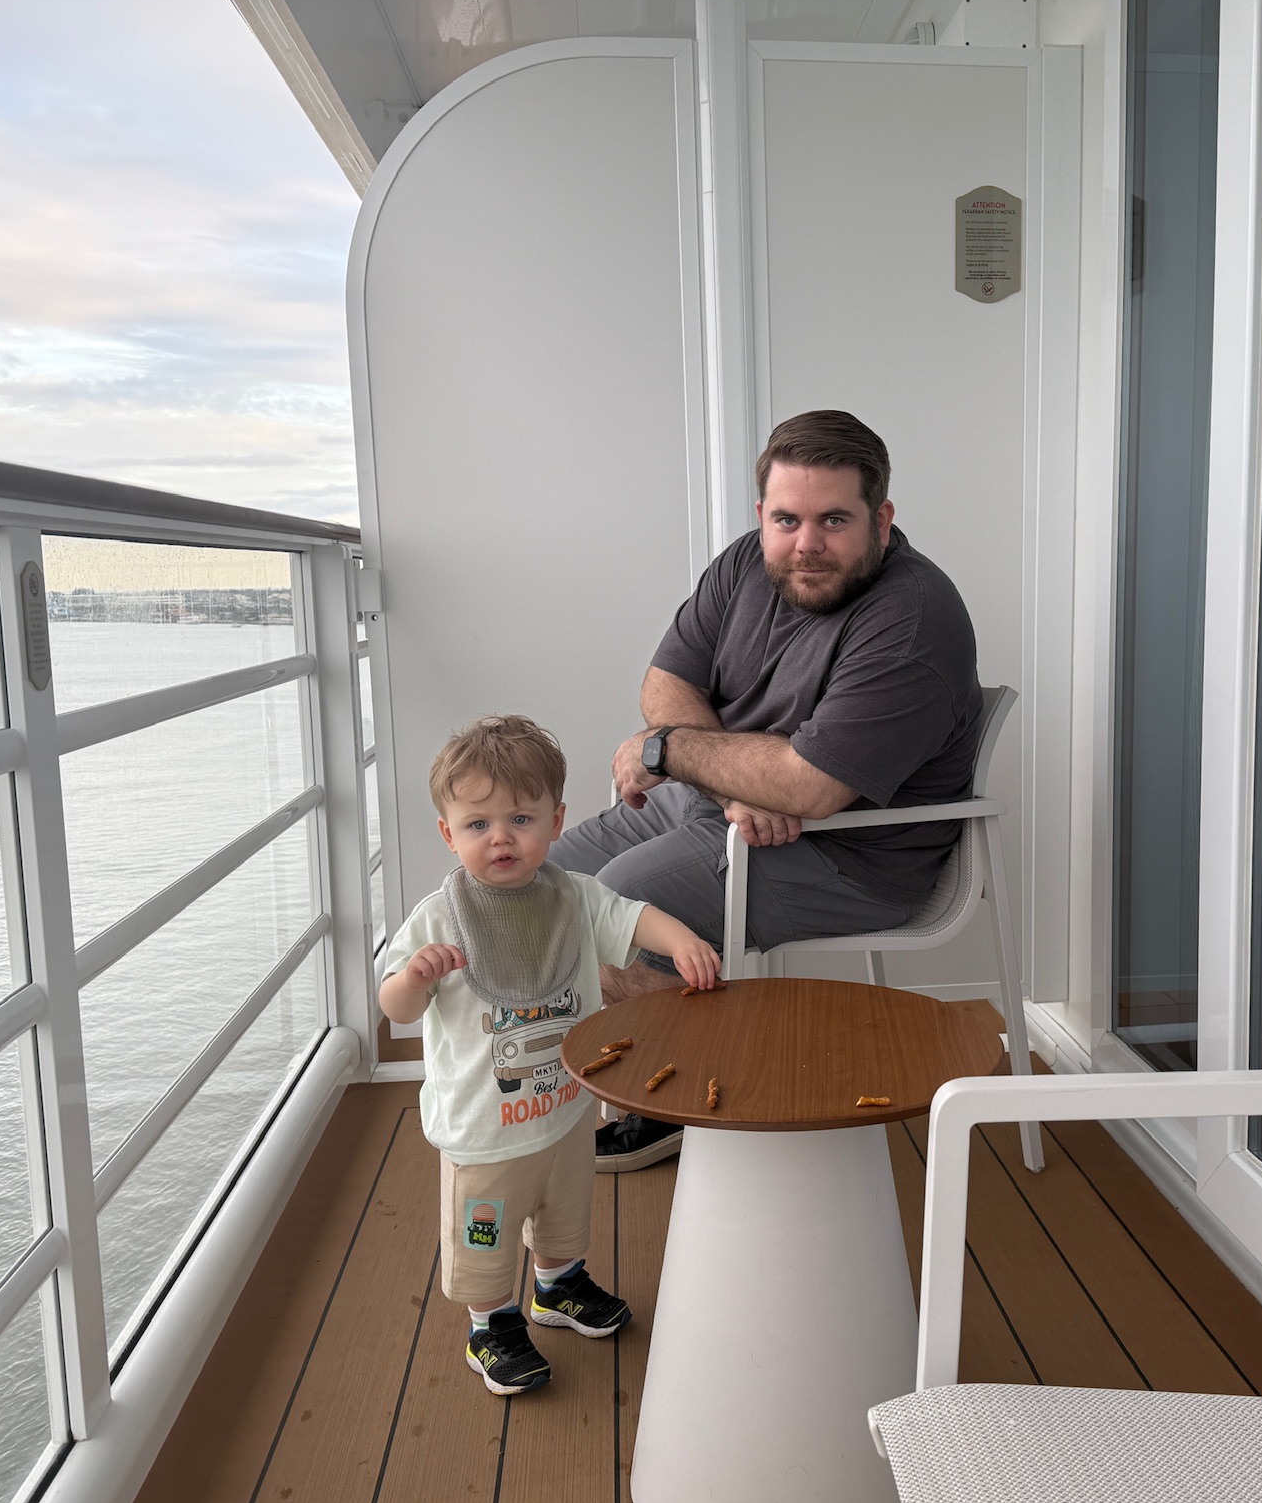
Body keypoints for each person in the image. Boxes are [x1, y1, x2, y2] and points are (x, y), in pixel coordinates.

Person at [548, 409, 985, 1171]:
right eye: (786, 519)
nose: (806, 543)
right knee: (539, 885)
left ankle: (689, 1093)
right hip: (727, 813)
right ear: (762, 515)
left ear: (882, 519)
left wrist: (670, 749)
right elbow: (667, 681)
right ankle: (651, 1074)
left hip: (849, 855)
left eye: (834, 520)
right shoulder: (745, 564)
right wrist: (738, 790)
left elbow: (811, 790)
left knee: (613, 907)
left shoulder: (913, 617)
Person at [378, 715, 720, 1394]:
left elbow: (630, 917)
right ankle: (491, 1323)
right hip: (484, 1130)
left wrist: (680, 939)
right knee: (486, 1235)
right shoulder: (439, 919)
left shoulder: (573, 898)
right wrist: (415, 978)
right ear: (448, 833)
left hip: (564, 1110)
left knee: (564, 1212)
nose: (501, 837)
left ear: (556, 821)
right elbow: (396, 1010)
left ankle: (558, 1284)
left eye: (521, 819)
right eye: (478, 824)